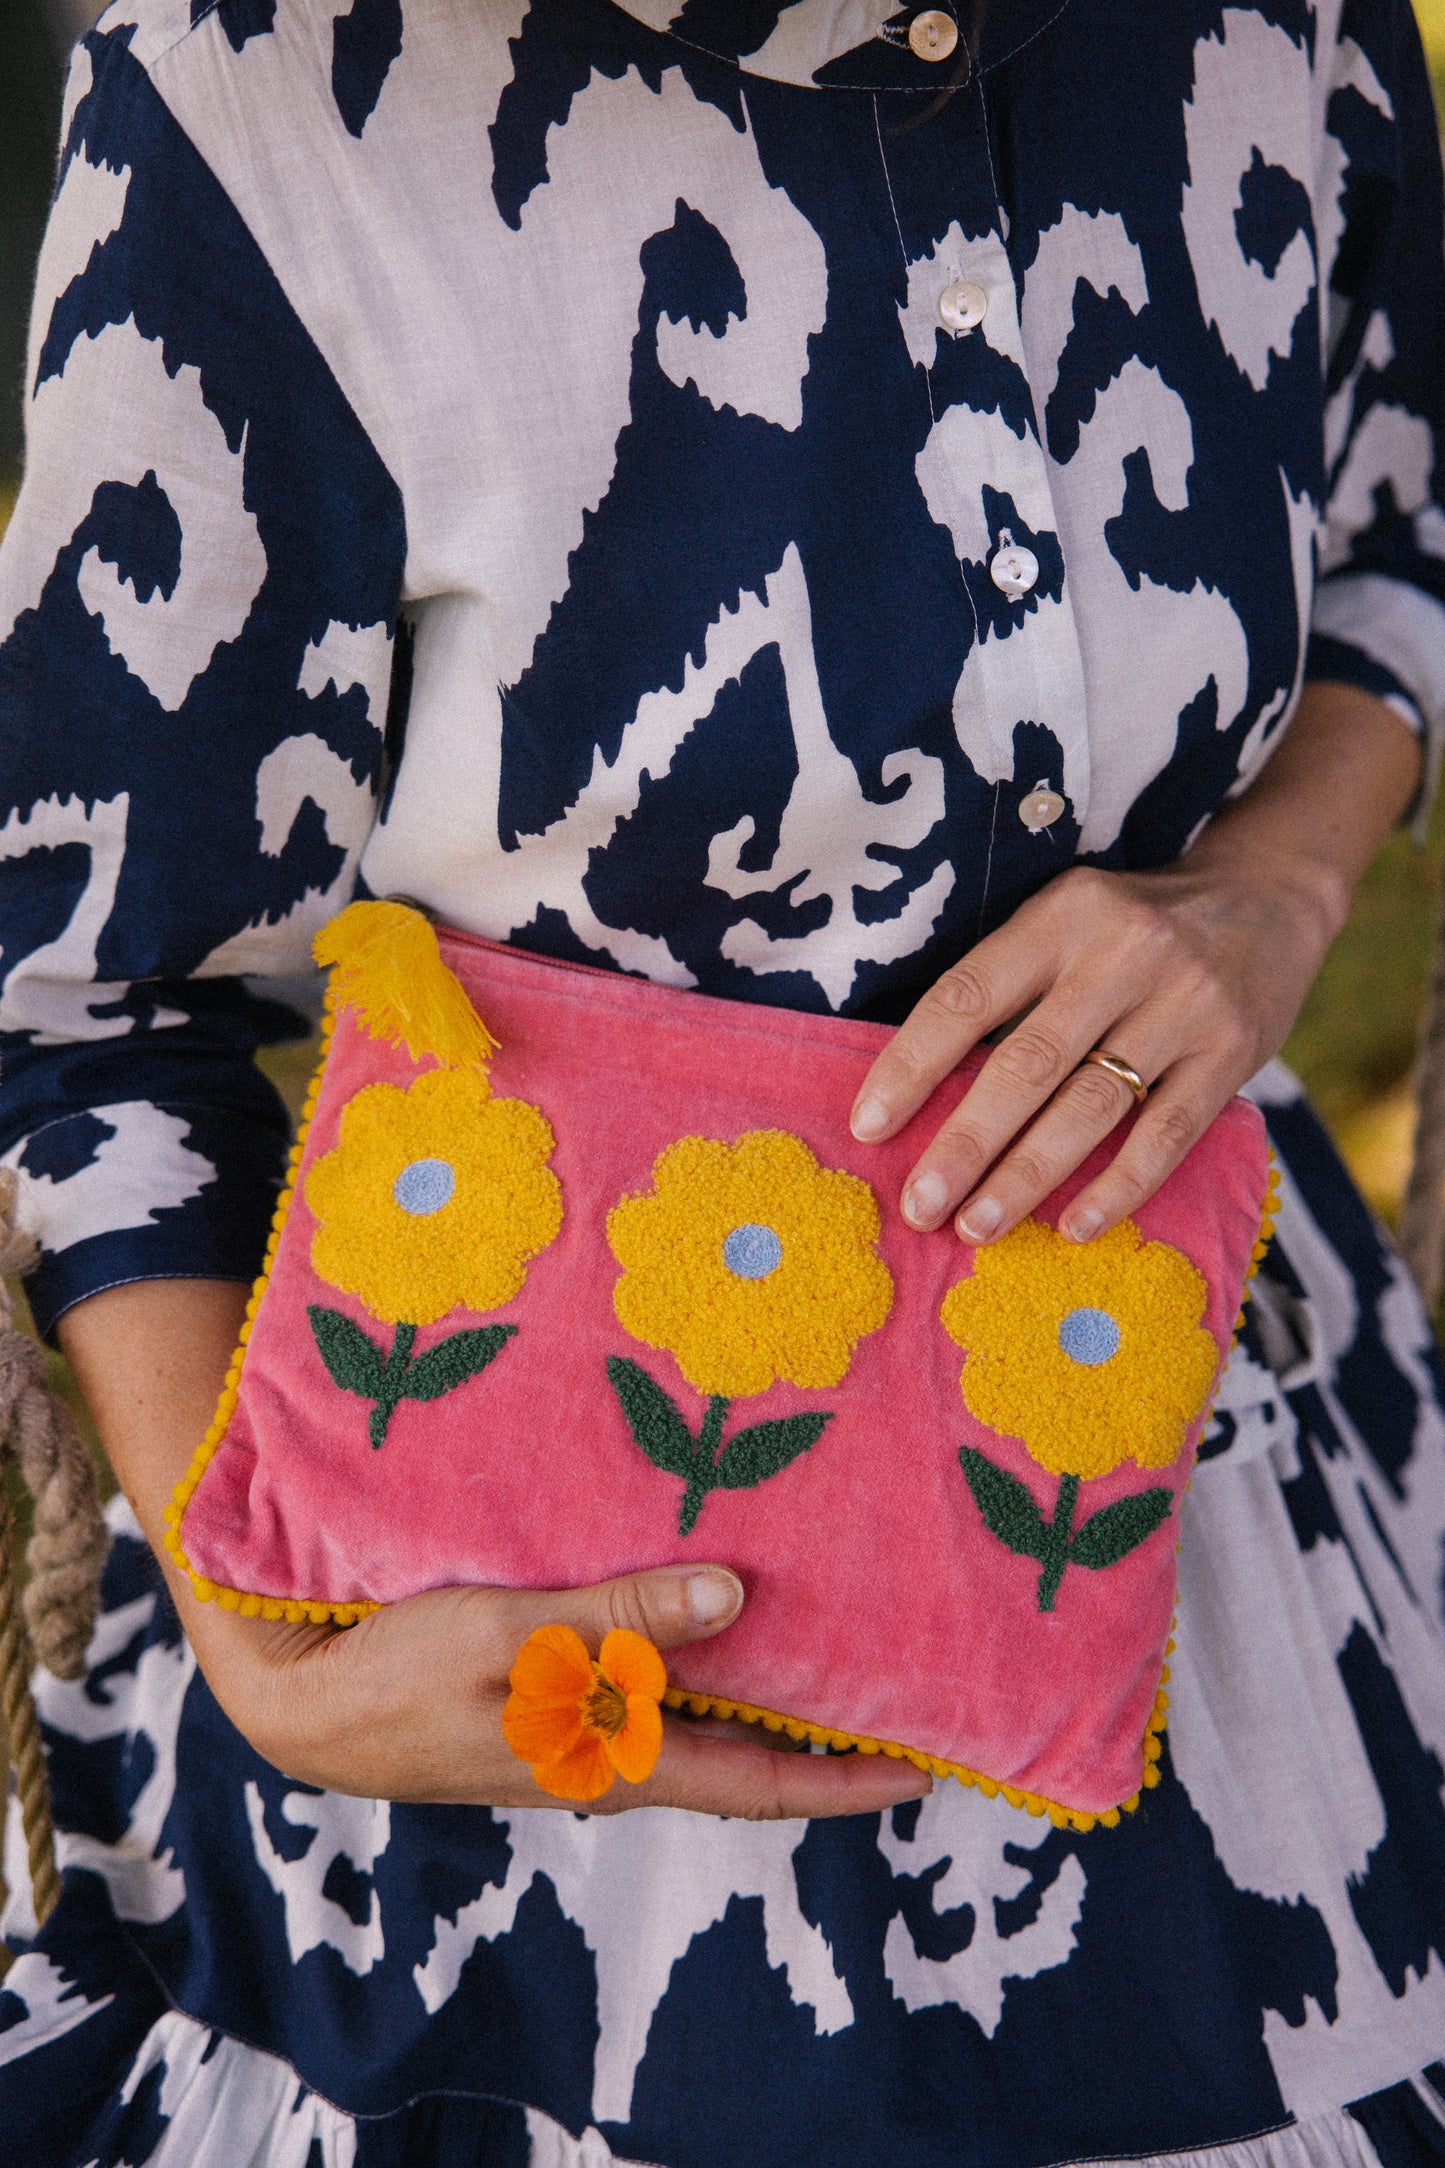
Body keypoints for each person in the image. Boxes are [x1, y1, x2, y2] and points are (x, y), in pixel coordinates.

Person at [2, 0, 1444, 2159]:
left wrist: (1278, 876)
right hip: (511, 1686)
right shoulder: (260, 89)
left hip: (1256, 1556)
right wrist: (276, 1668)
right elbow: (91, 995)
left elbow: (1403, 527)